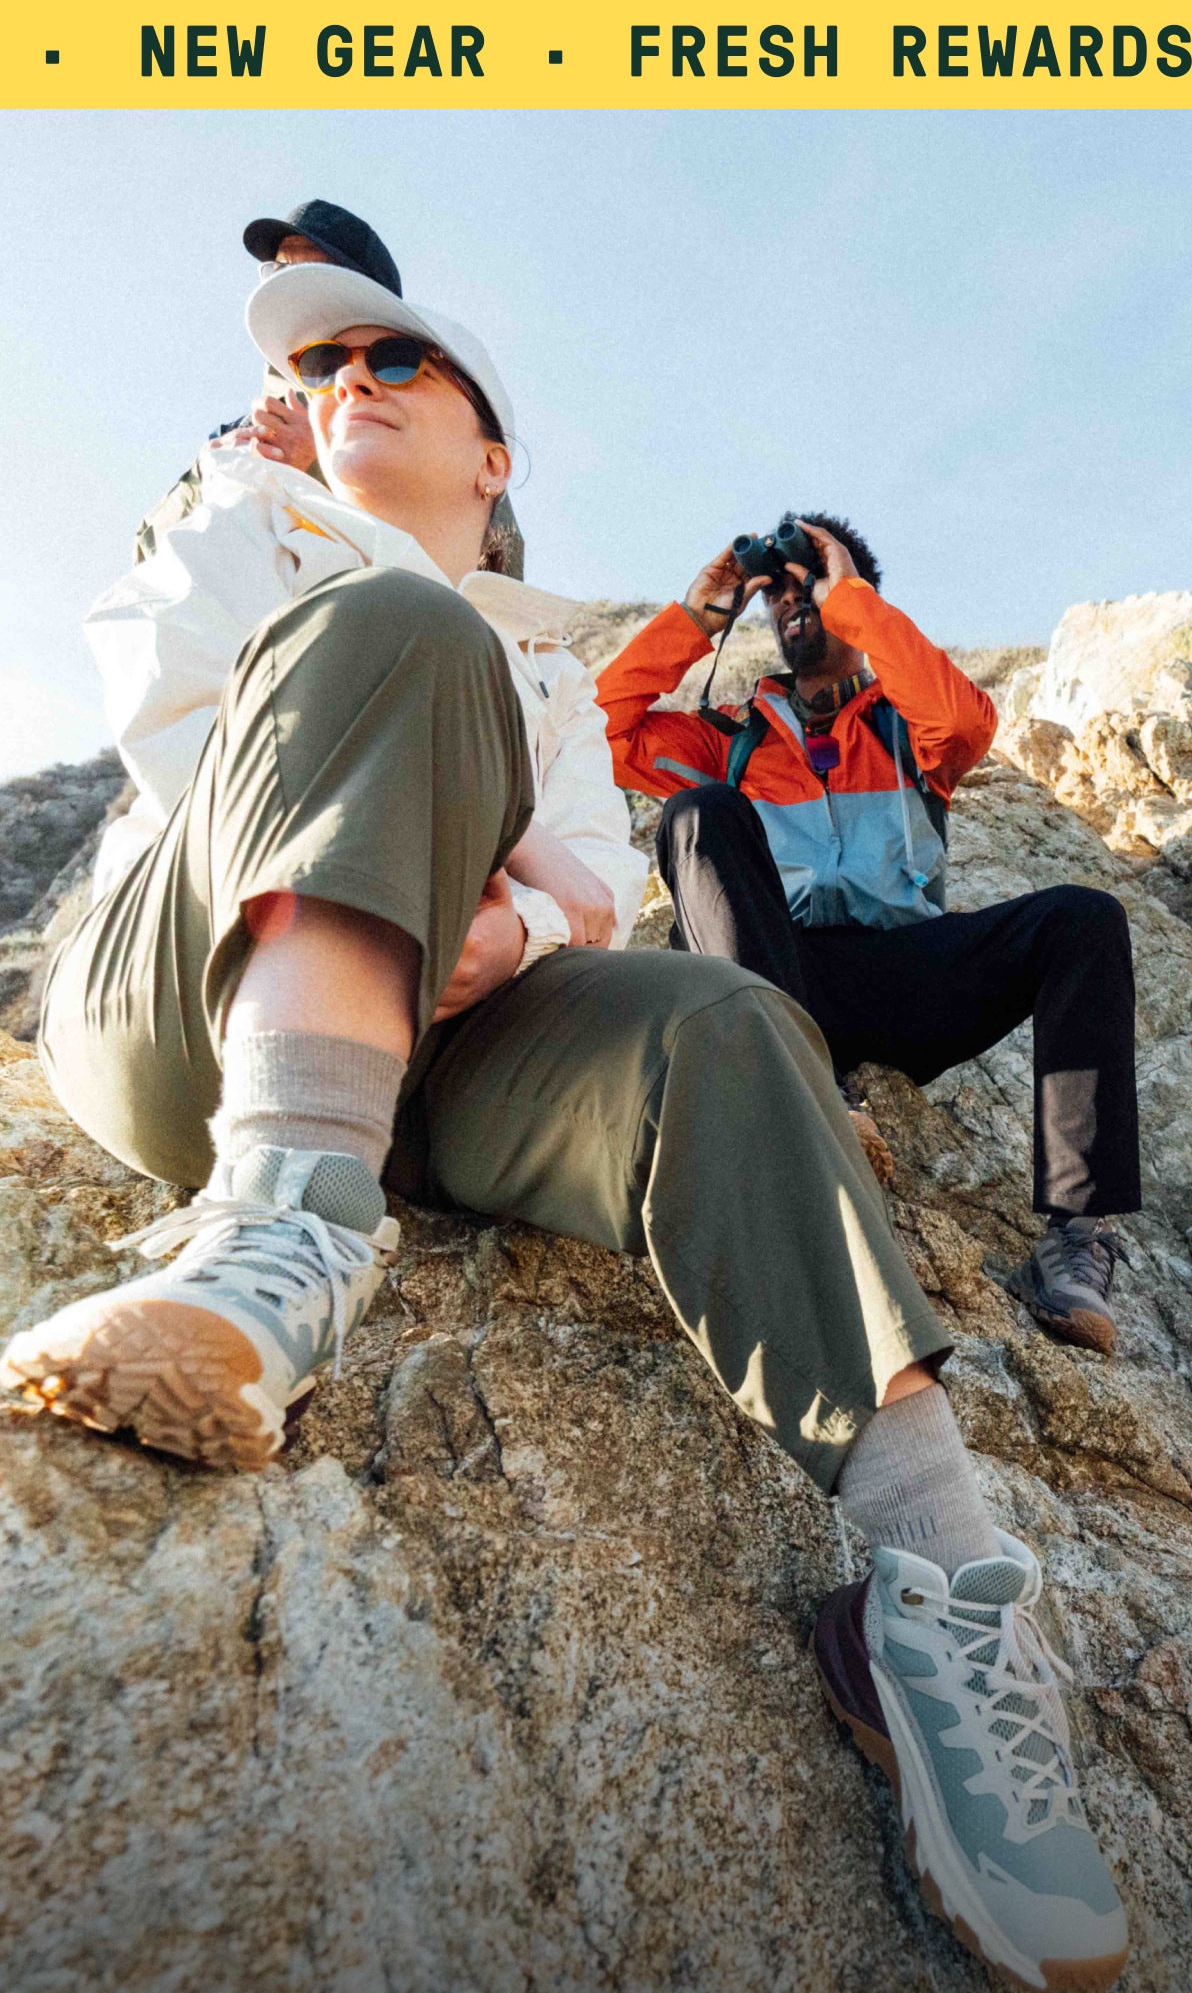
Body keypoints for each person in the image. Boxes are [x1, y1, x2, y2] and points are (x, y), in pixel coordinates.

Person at [0, 263, 1129, 1992]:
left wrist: (519, 927)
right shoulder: (248, 526)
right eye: (323, 365)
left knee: (736, 1024)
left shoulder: (556, 664)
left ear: (495, 453)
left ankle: (945, 1599)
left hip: (467, 1039)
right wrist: (274, 502)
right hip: (202, 1005)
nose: (347, 378)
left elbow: (594, 872)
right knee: (399, 636)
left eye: (395, 360)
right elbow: (176, 731)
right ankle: (282, 1235)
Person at [594, 522, 1142, 1355]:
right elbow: (596, 731)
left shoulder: (909, 730)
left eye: (805, 585)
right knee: (694, 814)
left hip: (905, 979)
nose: (788, 602)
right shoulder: (729, 744)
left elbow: (967, 719)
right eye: (775, 592)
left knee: (1084, 919)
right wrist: (699, 614)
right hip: (779, 981)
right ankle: (804, 1093)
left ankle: (1074, 1241)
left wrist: (850, 599)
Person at [133, 199, 524, 577]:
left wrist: (316, 469)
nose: (289, 282)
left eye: (314, 269)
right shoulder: (238, 435)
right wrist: (209, 478)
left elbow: (495, 597)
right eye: (279, 268)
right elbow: (148, 560)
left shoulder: (456, 446)